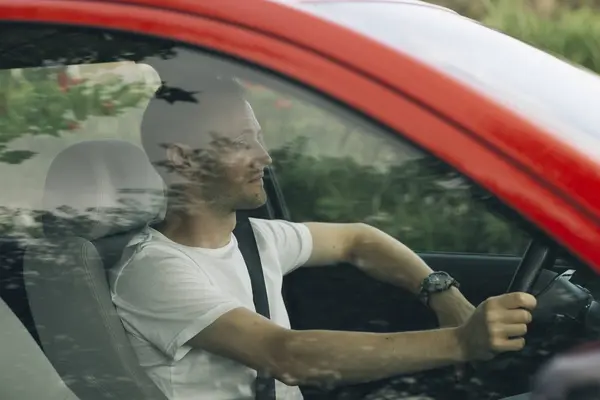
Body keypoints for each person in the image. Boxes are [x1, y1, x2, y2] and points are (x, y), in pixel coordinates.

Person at [108, 75, 536, 400]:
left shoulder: (257, 239)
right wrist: (461, 341)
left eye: (258, 137)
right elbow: (286, 355)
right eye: (242, 142)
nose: (265, 156)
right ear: (182, 158)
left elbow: (358, 239)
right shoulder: (152, 270)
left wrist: (442, 294)